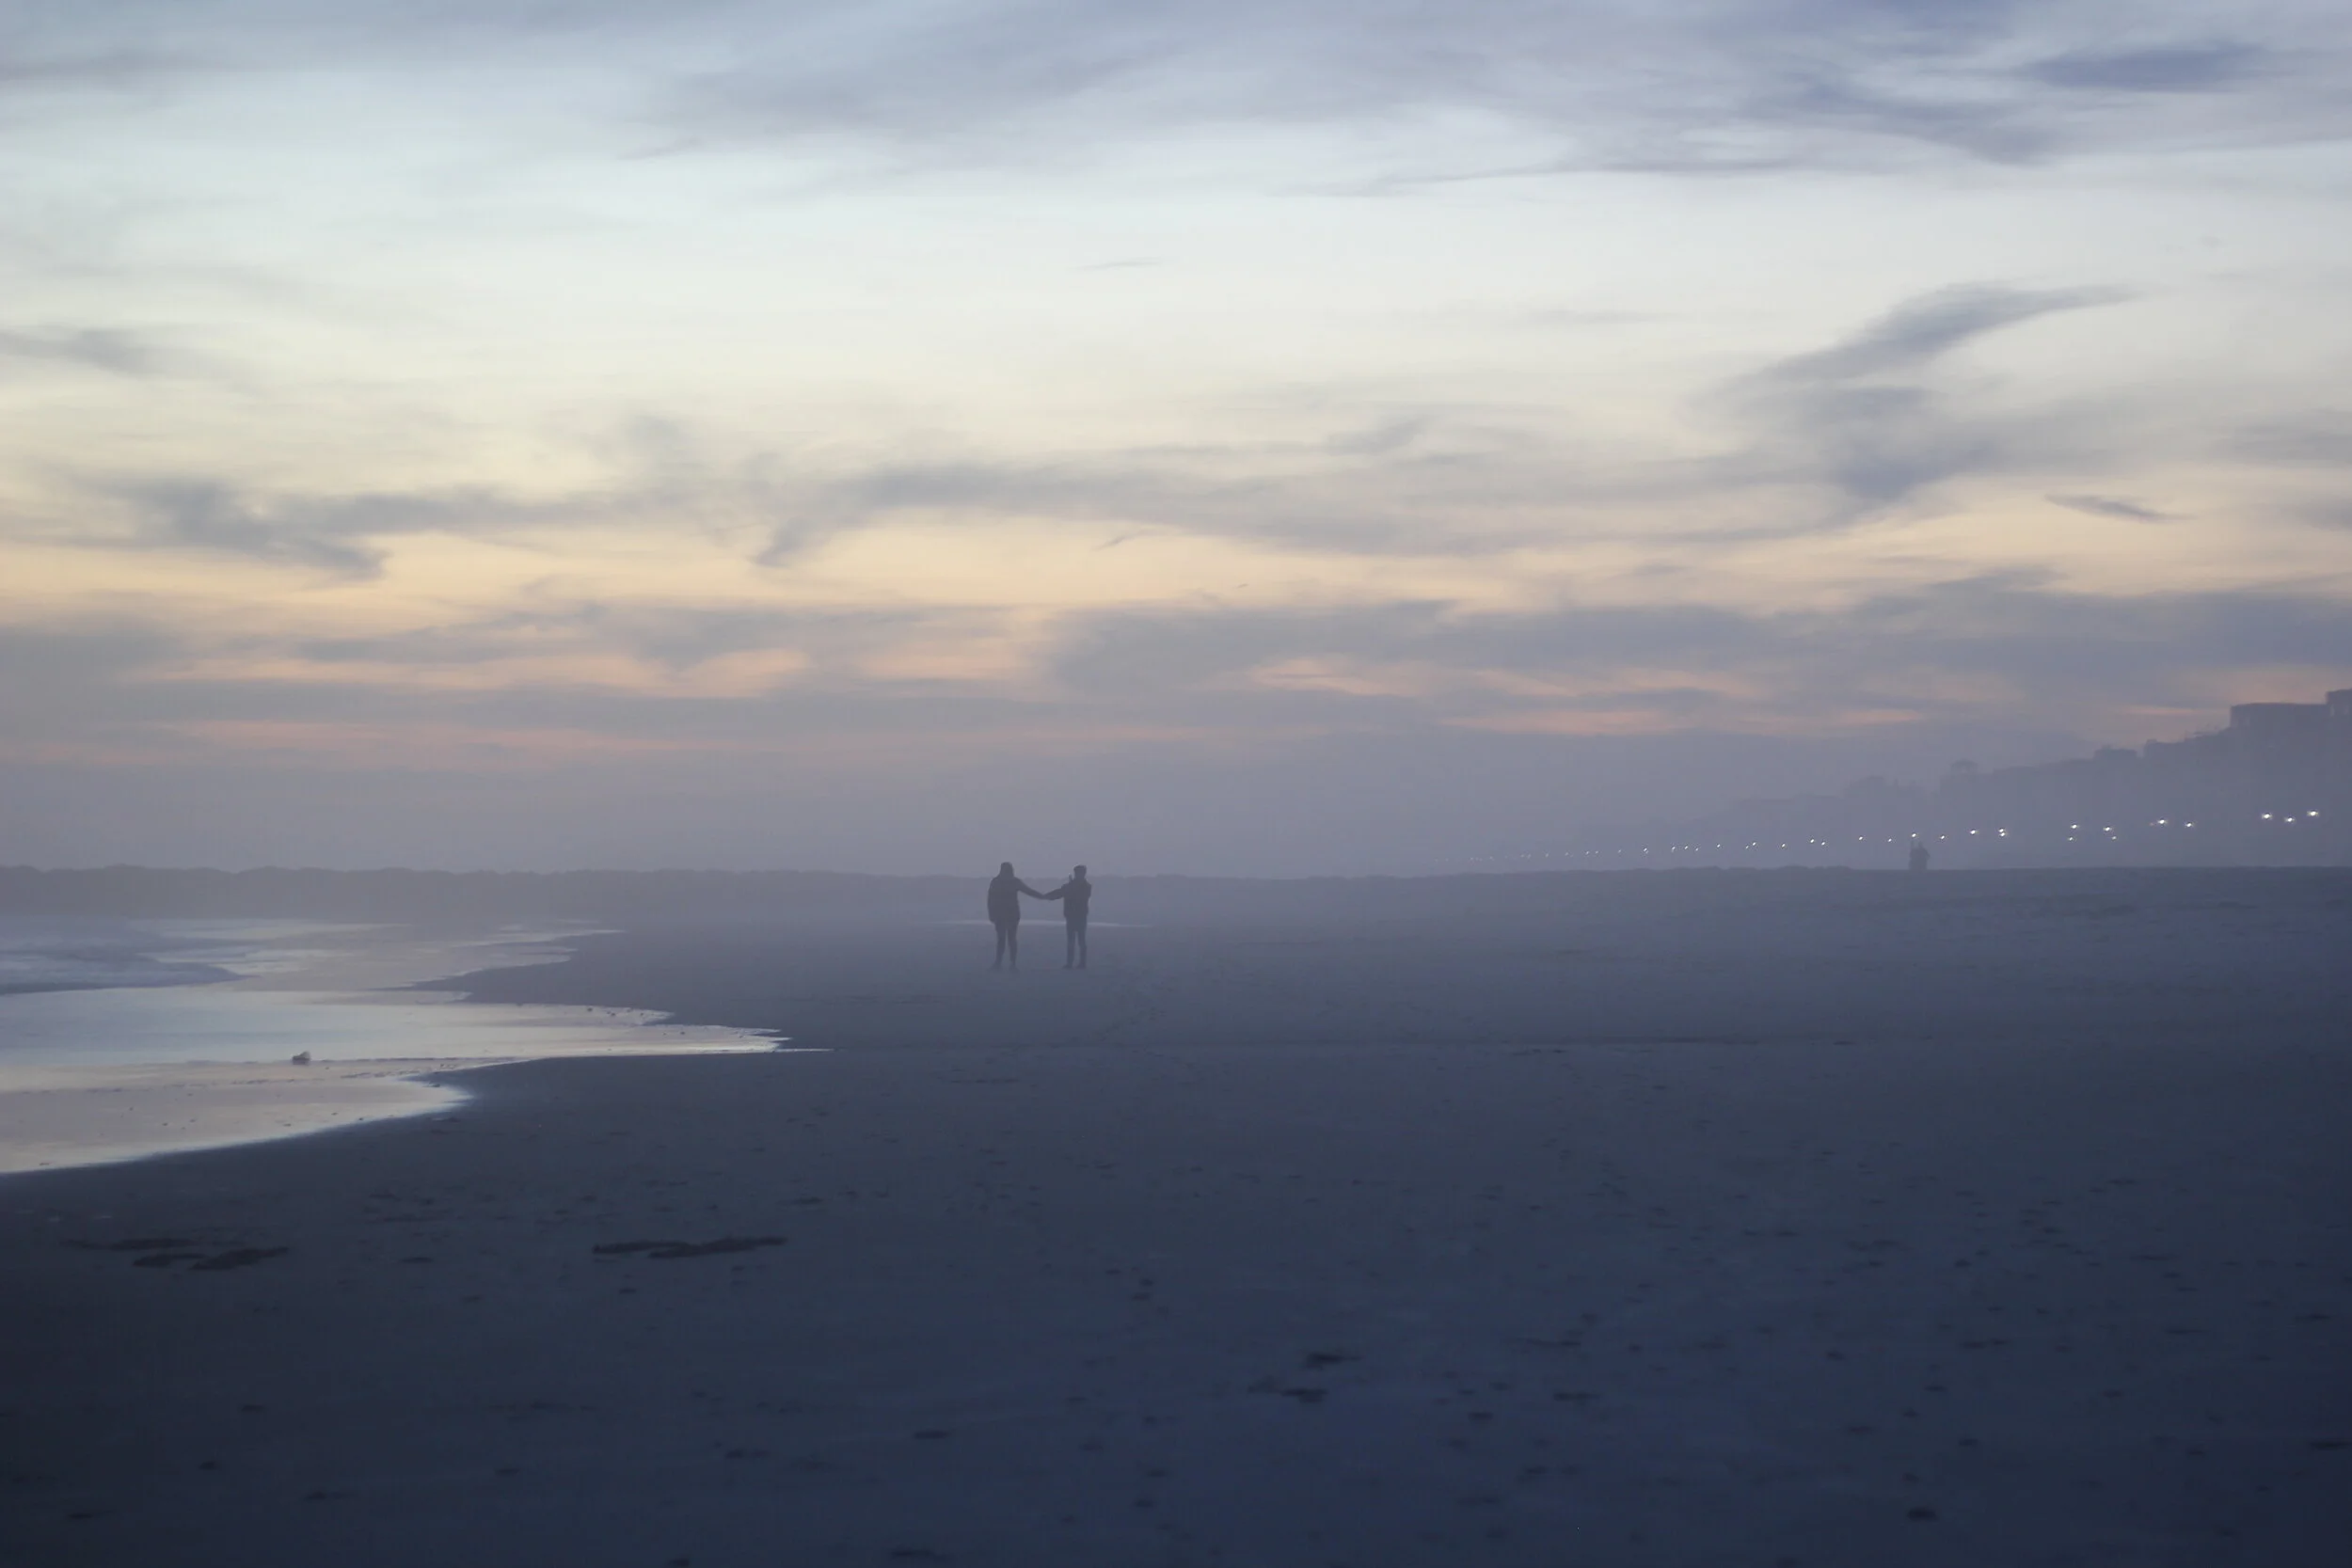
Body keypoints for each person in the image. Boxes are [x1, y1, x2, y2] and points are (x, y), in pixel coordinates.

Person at [986, 862, 1048, 970]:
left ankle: (1003, 963)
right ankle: (1008, 963)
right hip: (1009, 914)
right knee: (1009, 939)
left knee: (1006, 939)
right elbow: (1028, 891)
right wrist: (1042, 897)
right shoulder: (1010, 882)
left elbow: (990, 900)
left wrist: (991, 914)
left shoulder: (998, 882)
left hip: (1008, 915)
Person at [1042, 864, 1092, 970]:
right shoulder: (1070, 886)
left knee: (1081, 940)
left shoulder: (1086, 886)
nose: (1078, 875)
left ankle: (1082, 963)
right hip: (1071, 916)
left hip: (1080, 916)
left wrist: (1070, 888)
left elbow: (1081, 896)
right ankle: (1070, 963)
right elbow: (1059, 893)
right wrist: (1046, 896)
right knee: (1071, 940)